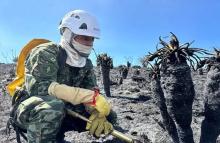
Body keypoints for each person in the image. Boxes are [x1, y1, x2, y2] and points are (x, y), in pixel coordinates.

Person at [14, 10, 116, 143]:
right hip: (35, 111)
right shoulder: (45, 52)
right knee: (53, 108)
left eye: (92, 39)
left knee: (110, 116)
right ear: (68, 34)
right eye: (85, 38)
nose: (89, 43)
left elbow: (91, 91)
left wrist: (96, 111)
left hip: (68, 111)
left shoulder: (86, 64)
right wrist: (86, 96)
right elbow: (40, 88)